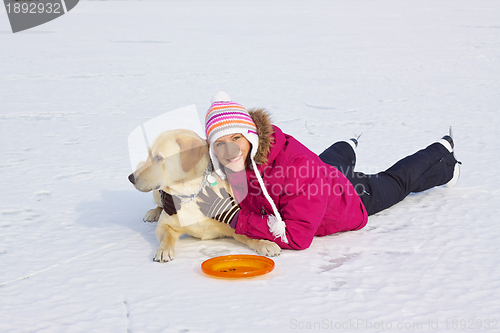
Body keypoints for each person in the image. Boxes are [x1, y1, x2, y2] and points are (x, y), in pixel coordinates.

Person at [164, 92, 460, 251]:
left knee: (395, 182)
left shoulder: (296, 171)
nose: (229, 151)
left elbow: (298, 236)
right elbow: (193, 180)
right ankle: (349, 144)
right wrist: (170, 198)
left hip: (346, 200)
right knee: (327, 164)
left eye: (236, 139)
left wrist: (234, 218)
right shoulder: (237, 161)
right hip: (321, 175)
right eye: (220, 144)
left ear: (251, 136)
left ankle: (441, 154)